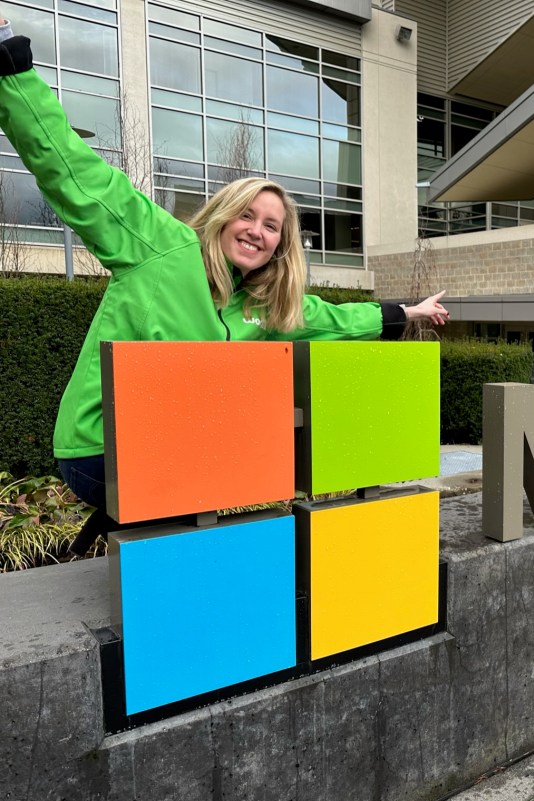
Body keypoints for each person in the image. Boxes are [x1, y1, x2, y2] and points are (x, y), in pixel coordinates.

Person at [0, 20, 449, 554]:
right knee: (235, 468)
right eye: (248, 215)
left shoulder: (262, 307)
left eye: (272, 226)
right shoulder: (160, 247)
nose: (257, 231)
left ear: (281, 245)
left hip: (170, 451)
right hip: (99, 446)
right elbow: (75, 172)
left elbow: (330, 319)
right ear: (223, 215)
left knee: (256, 470)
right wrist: (12, 63)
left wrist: (407, 312)